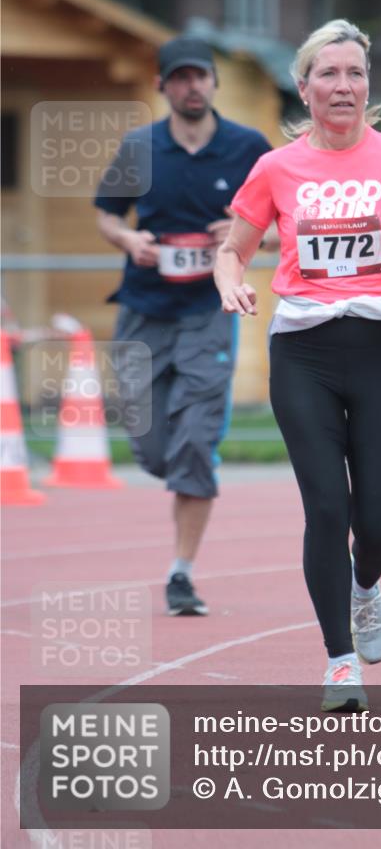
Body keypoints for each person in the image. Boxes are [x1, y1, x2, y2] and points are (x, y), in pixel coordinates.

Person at [214, 19, 381, 711]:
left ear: (367, 87)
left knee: (380, 524)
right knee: (326, 507)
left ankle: (365, 587)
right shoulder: (276, 167)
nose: (343, 85)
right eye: (328, 73)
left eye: (354, 73)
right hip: (304, 350)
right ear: (304, 87)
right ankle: (338, 662)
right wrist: (229, 281)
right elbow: (232, 248)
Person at [94, 36, 272, 617]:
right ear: (162, 86)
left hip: (209, 312)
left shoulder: (248, 148)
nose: (192, 86)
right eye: (180, 77)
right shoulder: (140, 147)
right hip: (144, 311)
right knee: (150, 447)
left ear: (215, 84)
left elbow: (285, 223)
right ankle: (180, 471)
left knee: (196, 442)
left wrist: (246, 236)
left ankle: (181, 573)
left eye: (201, 76)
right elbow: (105, 212)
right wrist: (128, 239)